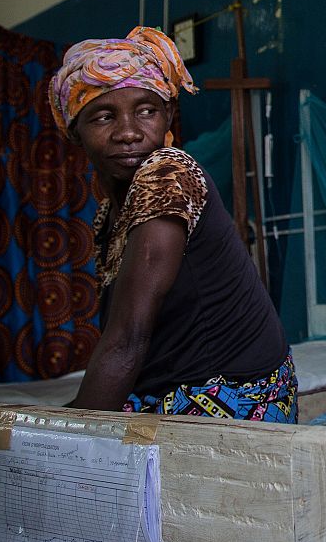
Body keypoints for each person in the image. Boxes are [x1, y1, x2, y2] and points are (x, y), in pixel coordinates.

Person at [50, 26, 295, 422]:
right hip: (173, 385)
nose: (128, 132)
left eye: (146, 110)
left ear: (167, 116)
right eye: (102, 116)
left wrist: (66, 443)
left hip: (235, 394)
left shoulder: (168, 173)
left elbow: (127, 339)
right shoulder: (108, 211)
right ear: (74, 132)